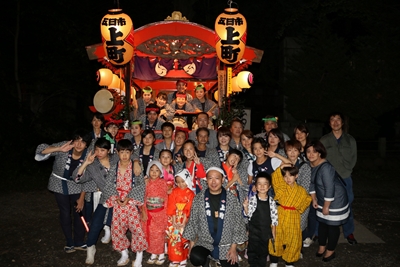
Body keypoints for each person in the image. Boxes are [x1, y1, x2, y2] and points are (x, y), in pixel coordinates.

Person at [35, 129, 91, 253]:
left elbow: (88, 178)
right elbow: (41, 150)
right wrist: (59, 149)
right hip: (58, 183)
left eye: (83, 142)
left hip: (77, 185)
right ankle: (69, 242)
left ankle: (79, 241)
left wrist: (82, 198)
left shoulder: (89, 154)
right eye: (77, 140)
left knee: (79, 212)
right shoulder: (66, 145)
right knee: (65, 212)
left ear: (87, 144)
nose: (79, 144)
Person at [183, 167, 247, 267]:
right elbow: (193, 221)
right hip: (205, 241)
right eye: (210, 178)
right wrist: (192, 245)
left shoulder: (231, 199)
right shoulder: (199, 198)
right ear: (206, 180)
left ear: (222, 180)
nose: (213, 182)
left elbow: (238, 223)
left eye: (217, 178)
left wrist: (233, 248)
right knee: (195, 257)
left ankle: (217, 260)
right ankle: (207, 260)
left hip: (226, 244)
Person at [73, 137, 119, 264]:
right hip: (106, 198)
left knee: (121, 224)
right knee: (95, 223)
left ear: (108, 151)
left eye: (102, 150)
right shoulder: (93, 165)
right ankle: (90, 248)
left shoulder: (117, 158)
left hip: (122, 197)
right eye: (97, 149)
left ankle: (124, 250)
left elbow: (132, 157)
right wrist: (86, 163)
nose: (99, 152)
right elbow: (77, 178)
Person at [104, 139, 148, 267]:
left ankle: (139, 255)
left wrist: (129, 198)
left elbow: (141, 185)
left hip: (131, 203)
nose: (124, 155)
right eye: (121, 152)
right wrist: (116, 198)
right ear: (117, 152)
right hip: (117, 202)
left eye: (127, 152)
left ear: (131, 153)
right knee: (117, 229)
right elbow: (108, 185)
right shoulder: (114, 167)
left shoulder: (137, 166)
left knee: (136, 228)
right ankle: (124, 253)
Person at [305, 140, 349, 262]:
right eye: (308, 151)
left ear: (320, 153)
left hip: (335, 199)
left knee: (332, 226)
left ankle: (331, 250)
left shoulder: (325, 167)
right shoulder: (310, 165)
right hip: (321, 197)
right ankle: (322, 246)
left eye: (315, 151)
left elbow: (330, 188)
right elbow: (311, 183)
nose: (311, 154)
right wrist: (314, 198)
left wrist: (326, 206)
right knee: (323, 224)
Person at [320, 112, 357, 245]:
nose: (335, 122)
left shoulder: (350, 139)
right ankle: (323, 233)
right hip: (329, 179)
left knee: (348, 205)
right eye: (332, 120)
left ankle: (349, 232)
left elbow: (354, 157)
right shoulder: (324, 140)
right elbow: (320, 158)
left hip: (345, 177)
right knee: (325, 205)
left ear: (342, 122)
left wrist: (347, 170)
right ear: (329, 123)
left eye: (338, 120)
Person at [269, 165, 311, 267]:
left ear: (296, 176)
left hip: (293, 215)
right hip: (281, 213)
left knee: (293, 239)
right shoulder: (282, 186)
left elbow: (307, 199)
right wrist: (280, 167)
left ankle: (289, 261)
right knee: (276, 236)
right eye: (285, 176)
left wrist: (300, 209)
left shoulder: (301, 190)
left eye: (291, 176)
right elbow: (275, 177)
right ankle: (274, 260)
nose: (287, 179)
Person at [243, 172, 278, 267]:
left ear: (269, 186)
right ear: (256, 186)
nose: (262, 186)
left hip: (265, 233)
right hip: (254, 232)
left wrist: (273, 233)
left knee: (263, 252)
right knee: (252, 251)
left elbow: (274, 219)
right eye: (259, 183)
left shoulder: (271, 201)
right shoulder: (253, 199)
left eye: (265, 183)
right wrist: (246, 206)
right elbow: (249, 214)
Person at [283, 140, 313, 248]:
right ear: (286, 151)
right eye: (289, 150)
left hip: (299, 202)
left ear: (299, 151)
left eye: (295, 150)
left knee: (297, 228)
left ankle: (297, 250)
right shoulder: (282, 165)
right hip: (285, 202)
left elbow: (304, 188)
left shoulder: (304, 167)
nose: (292, 153)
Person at [166, 169, 195, 267]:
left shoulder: (191, 194)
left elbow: (189, 208)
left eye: (183, 181)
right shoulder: (174, 192)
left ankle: (183, 258)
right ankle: (175, 259)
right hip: (174, 219)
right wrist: (174, 220)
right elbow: (171, 206)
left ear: (187, 180)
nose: (180, 184)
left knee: (184, 238)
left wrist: (184, 221)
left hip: (185, 219)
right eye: (178, 182)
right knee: (174, 238)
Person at [142, 161, 169, 265]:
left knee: (159, 234)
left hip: (160, 212)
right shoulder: (146, 183)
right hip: (149, 212)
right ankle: (153, 253)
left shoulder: (163, 183)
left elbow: (166, 198)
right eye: (151, 170)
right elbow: (143, 198)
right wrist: (143, 211)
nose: (154, 172)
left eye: (157, 170)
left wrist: (166, 213)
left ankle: (161, 253)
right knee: (151, 234)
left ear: (161, 172)